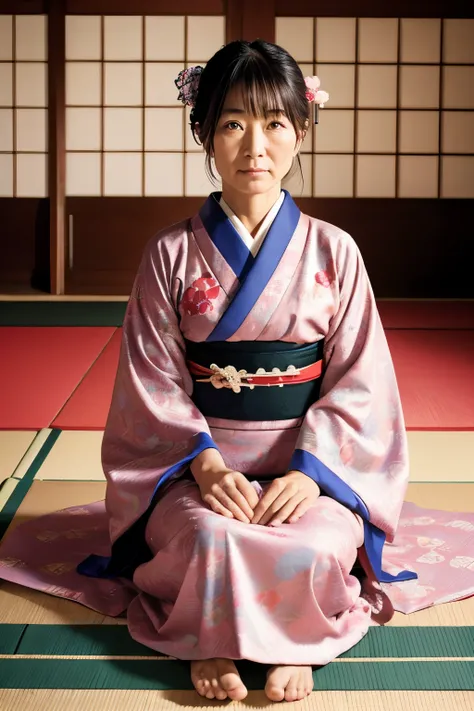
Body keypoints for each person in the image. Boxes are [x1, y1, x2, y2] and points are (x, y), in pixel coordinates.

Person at [1, 38, 472, 704]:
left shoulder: (335, 252)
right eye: (232, 122)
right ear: (204, 133)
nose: (255, 143)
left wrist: (311, 477)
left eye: (275, 122)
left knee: (311, 546)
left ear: (301, 132)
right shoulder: (169, 254)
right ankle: (212, 636)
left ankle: (294, 636)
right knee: (205, 537)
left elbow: (361, 383)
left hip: (311, 472)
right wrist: (207, 465)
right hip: (198, 470)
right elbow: (152, 382)